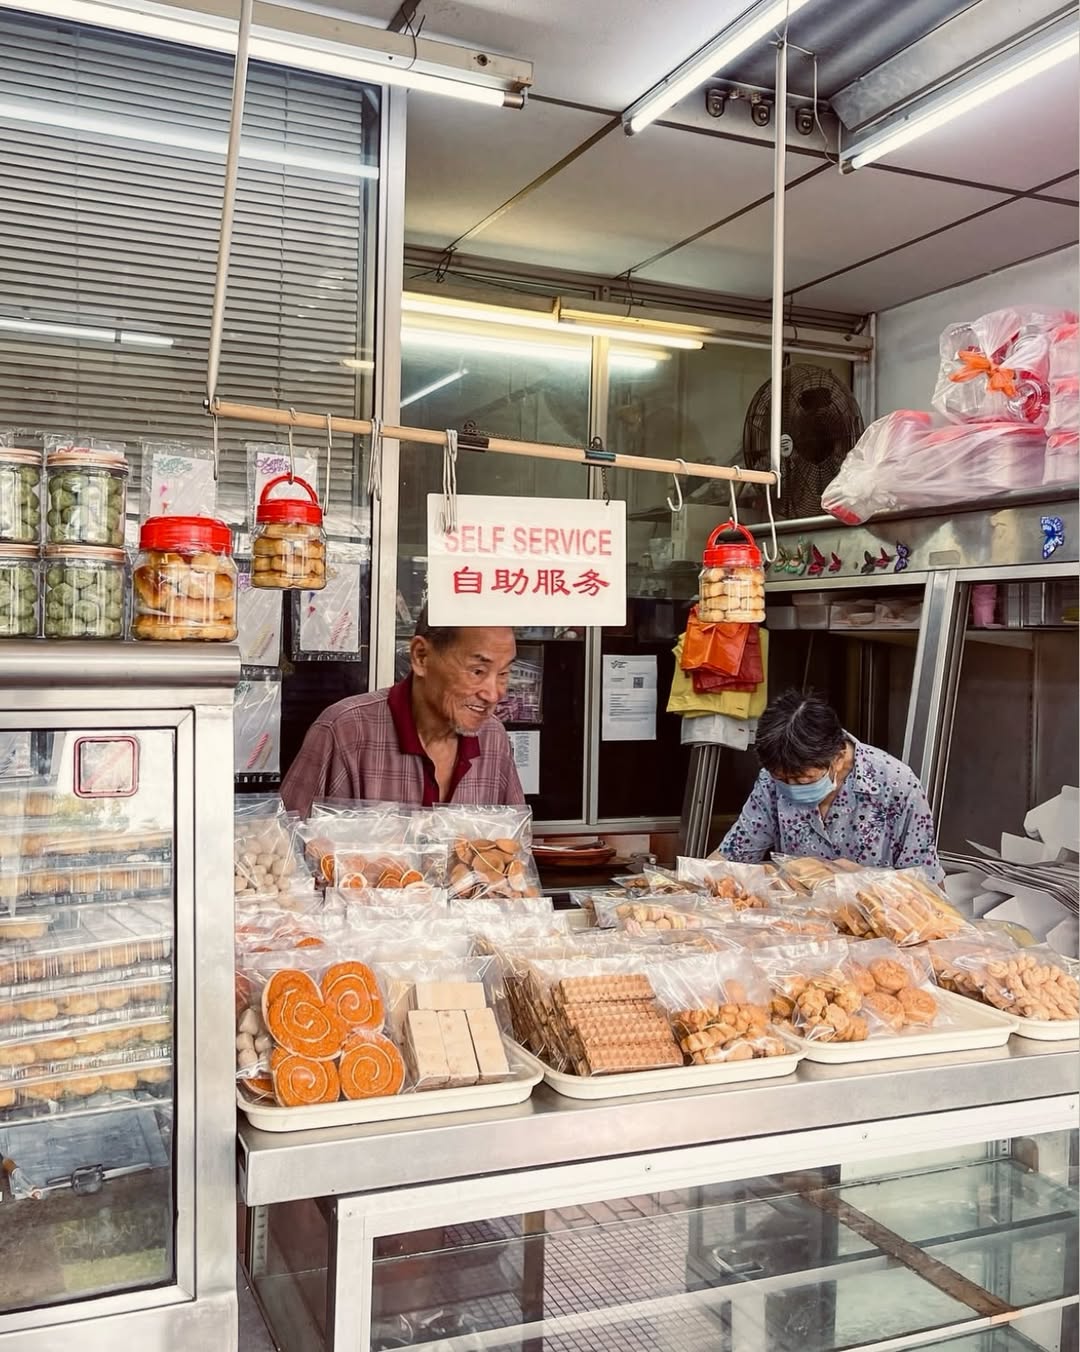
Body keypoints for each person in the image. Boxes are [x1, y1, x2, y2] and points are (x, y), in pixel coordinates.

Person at [280, 616, 523, 817]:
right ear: (421, 656)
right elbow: (285, 855)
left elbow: (513, 852)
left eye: (503, 673)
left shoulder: (493, 738)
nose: (493, 694)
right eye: (477, 671)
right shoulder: (345, 731)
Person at [719, 689, 943, 881]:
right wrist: (693, 885)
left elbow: (927, 885)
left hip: (876, 922)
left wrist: (864, 881)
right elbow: (733, 857)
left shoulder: (895, 784)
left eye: (803, 779)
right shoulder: (771, 781)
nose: (791, 786)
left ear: (838, 756)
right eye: (783, 779)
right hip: (798, 922)